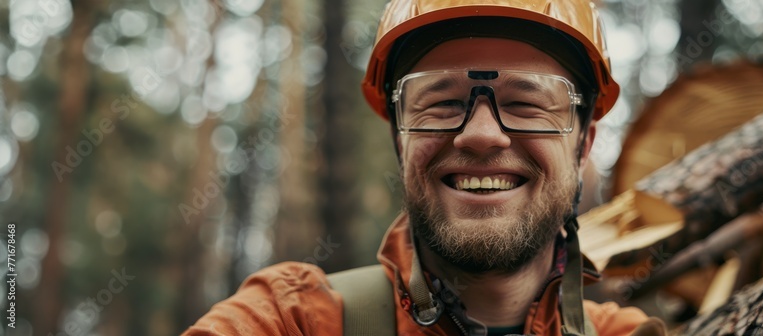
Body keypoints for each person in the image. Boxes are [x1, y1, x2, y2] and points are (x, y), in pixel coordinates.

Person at [184, 0, 666, 335]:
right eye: (441, 102)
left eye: (525, 103)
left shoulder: (631, 335)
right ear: (399, 138)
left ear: (585, 144)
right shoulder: (294, 320)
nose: (480, 135)